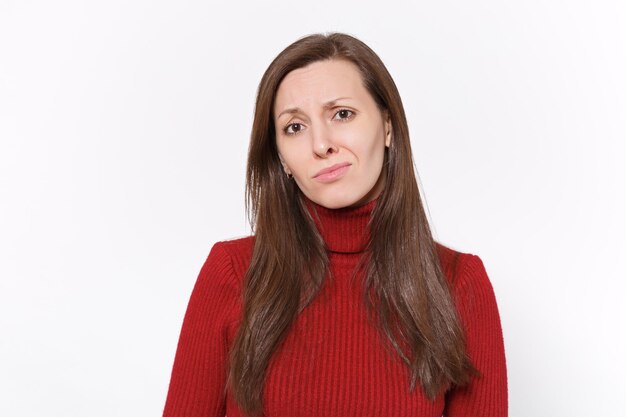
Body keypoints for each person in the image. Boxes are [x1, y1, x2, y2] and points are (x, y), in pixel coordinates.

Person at [162, 32, 508, 417]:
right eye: (295, 126)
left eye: (342, 114)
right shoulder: (232, 272)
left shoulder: (459, 284)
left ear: (388, 126)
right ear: (281, 158)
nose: (320, 144)